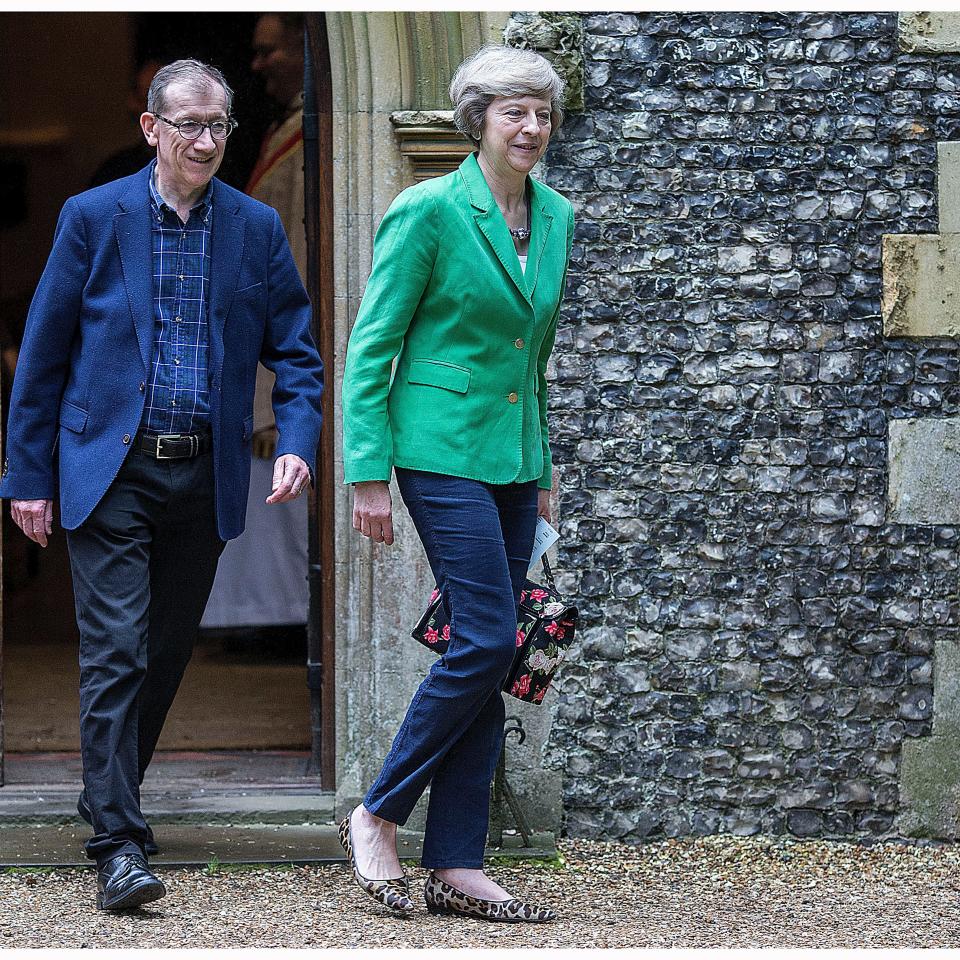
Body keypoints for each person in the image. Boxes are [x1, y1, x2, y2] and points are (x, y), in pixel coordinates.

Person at [0, 58, 324, 912]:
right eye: (188, 124)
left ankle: (109, 794)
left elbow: (295, 348)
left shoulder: (254, 228)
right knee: (116, 650)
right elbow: (43, 356)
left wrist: (298, 439)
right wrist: (26, 475)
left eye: (218, 125)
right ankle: (119, 841)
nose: (206, 140)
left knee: (167, 652)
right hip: (109, 469)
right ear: (152, 129)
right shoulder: (92, 218)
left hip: (203, 473)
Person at [339, 44, 573, 922]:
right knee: (483, 635)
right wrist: (367, 475)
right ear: (477, 119)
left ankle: (457, 860)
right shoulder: (426, 210)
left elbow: (534, 357)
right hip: (434, 448)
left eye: (542, 112)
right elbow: (372, 347)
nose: (532, 127)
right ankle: (379, 810)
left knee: (493, 645)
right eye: (514, 111)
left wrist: (543, 468)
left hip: (512, 455)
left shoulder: (555, 216)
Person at [201, 12, 310, 630]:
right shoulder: (284, 132)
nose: (258, 63)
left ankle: (284, 621)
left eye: (270, 50)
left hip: (284, 338)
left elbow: (297, 256)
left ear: (305, 46)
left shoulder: (308, 138)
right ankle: (263, 621)